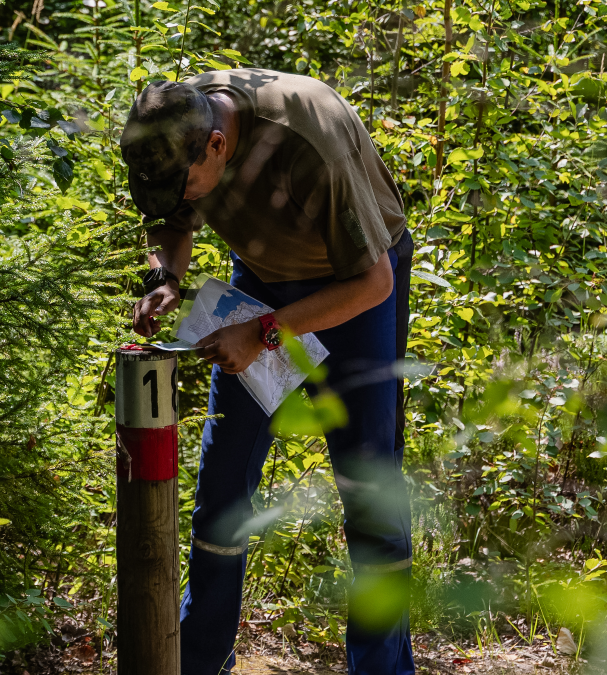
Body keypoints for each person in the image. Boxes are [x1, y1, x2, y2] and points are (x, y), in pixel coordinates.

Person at [119, 69, 415, 675]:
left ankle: (383, 669)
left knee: (369, 496)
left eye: (184, 186)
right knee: (222, 493)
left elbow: (373, 280)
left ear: (218, 146)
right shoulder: (174, 122)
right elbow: (171, 219)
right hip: (258, 282)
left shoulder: (307, 139)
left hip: (353, 290)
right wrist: (166, 278)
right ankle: (200, 662)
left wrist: (263, 334)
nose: (178, 199)